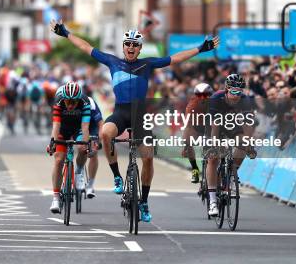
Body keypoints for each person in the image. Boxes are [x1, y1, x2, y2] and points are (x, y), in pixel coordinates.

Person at [50, 19, 219, 223]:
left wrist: (201, 48)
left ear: (140, 49)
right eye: (127, 44)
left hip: (140, 116)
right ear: (123, 47)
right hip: (120, 112)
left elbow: (175, 58)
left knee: (148, 158)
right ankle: (117, 177)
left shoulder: (147, 64)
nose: (131, 47)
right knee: (105, 133)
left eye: (135, 44)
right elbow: (86, 47)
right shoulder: (113, 61)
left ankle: (144, 202)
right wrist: (66, 32)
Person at [206, 74, 256, 217]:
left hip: (233, 126)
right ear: (227, 89)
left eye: (239, 91)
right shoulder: (216, 98)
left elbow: (249, 124)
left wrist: (248, 144)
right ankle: (213, 201)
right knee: (213, 158)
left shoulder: (245, 100)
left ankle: (231, 174)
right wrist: (214, 145)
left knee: (243, 145)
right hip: (215, 125)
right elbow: (214, 125)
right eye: (234, 91)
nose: (236, 95)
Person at [46, 82, 91, 213]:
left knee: (83, 148)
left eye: (74, 102)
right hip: (63, 129)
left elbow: (85, 127)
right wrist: (52, 143)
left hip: (78, 129)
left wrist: (86, 144)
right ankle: (55, 197)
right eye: (68, 101)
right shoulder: (58, 100)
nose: (70, 105)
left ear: (79, 100)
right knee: (59, 159)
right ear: (63, 98)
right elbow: (56, 125)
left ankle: (79, 171)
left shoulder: (85, 101)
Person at [182, 82, 214, 183]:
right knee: (187, 140)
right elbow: (187, 125)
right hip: (196, 126)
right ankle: (195, 169)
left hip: (211, 126)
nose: (202, 98)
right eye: (199, 95)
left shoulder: (216, 101)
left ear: (210, 95)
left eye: (205, 95)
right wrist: (186, 146)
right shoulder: (192, 105)